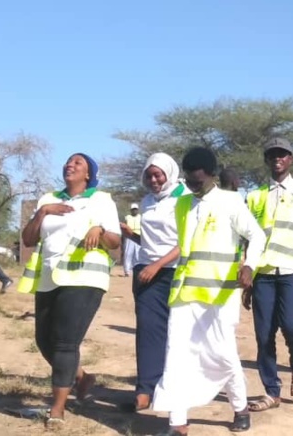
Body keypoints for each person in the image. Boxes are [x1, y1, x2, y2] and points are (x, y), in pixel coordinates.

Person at [151, 147, 266, 435]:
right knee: (176, 354)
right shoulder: (182, 204)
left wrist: (249, 266)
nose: (193, 186)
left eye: (198, 181)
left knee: (223, 354)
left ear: (212, 176)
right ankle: (178, 423)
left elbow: (257, 235)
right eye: (189, 181)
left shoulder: (230, 201)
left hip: (220, 296)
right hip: (184, 293)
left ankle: (240, 407)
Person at [19, 153, 121, 429]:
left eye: (78, 163)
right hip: (50, 277)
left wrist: (99, 229)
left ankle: (58, 409)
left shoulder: (101, 200)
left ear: (88, 174)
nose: (70, 165)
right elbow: (28, 239)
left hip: (84, 277)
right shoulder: (48, 198)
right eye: (68, 162)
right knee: (44, 340)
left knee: (65, 342)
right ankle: (82, 377)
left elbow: (114, 241)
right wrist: (42, 213)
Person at [245, 137, 293, 412]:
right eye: (272, 154)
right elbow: (249, 238)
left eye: (283, 154)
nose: (278, 158)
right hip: (263, 271)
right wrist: (248, 275)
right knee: (264, 334)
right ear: (267, 160)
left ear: (291, 160)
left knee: (291, 324)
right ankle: (271, 391)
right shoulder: (254, 195)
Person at [119, 153, 189, 412]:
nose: (153, 179)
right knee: (148, 332)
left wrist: (158, 265)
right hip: (146, 272)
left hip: (174, 272)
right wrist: (132, 235)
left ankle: (172, 391)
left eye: (158, 174)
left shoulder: (184, 198)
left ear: (169, 173)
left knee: (177, 334)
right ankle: (145, 390)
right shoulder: (146, 202)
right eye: (149, 175)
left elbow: (187, 242)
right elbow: (150, 242)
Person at [122, 203, 142, 277]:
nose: (134, 211)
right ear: (131, 210)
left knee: (138, 254)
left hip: (138, 235)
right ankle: (127, 271)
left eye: (136, 209)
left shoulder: (141, 217)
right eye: (133, 210)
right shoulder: (127, 217)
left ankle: (137, 269)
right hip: (129, 236)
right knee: (128, 254)